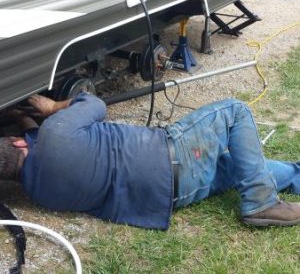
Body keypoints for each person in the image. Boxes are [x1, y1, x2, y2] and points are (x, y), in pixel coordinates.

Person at [0, 92, 300, 230]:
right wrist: (54, 106)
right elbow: (94, 103)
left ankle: (294, 176)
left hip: (173, 196)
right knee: (235, 111)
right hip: (172, 155)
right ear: (17, 142)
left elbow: (39, 149)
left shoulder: (39, 194)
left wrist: (24, 120)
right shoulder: (56, 131)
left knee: (236, 168)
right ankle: (261, 203)